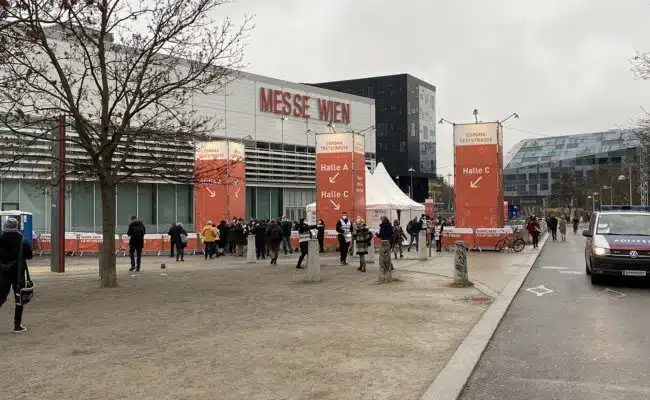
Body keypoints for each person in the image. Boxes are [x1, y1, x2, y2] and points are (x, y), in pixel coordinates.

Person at [0, 218, 33, 333]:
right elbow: (29, 256)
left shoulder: (1, 238)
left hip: (3, 273)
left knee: (1, 297)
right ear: (17, 226)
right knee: (19, 298)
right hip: (18, 273)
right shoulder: (22, 239)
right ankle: (17, 325)